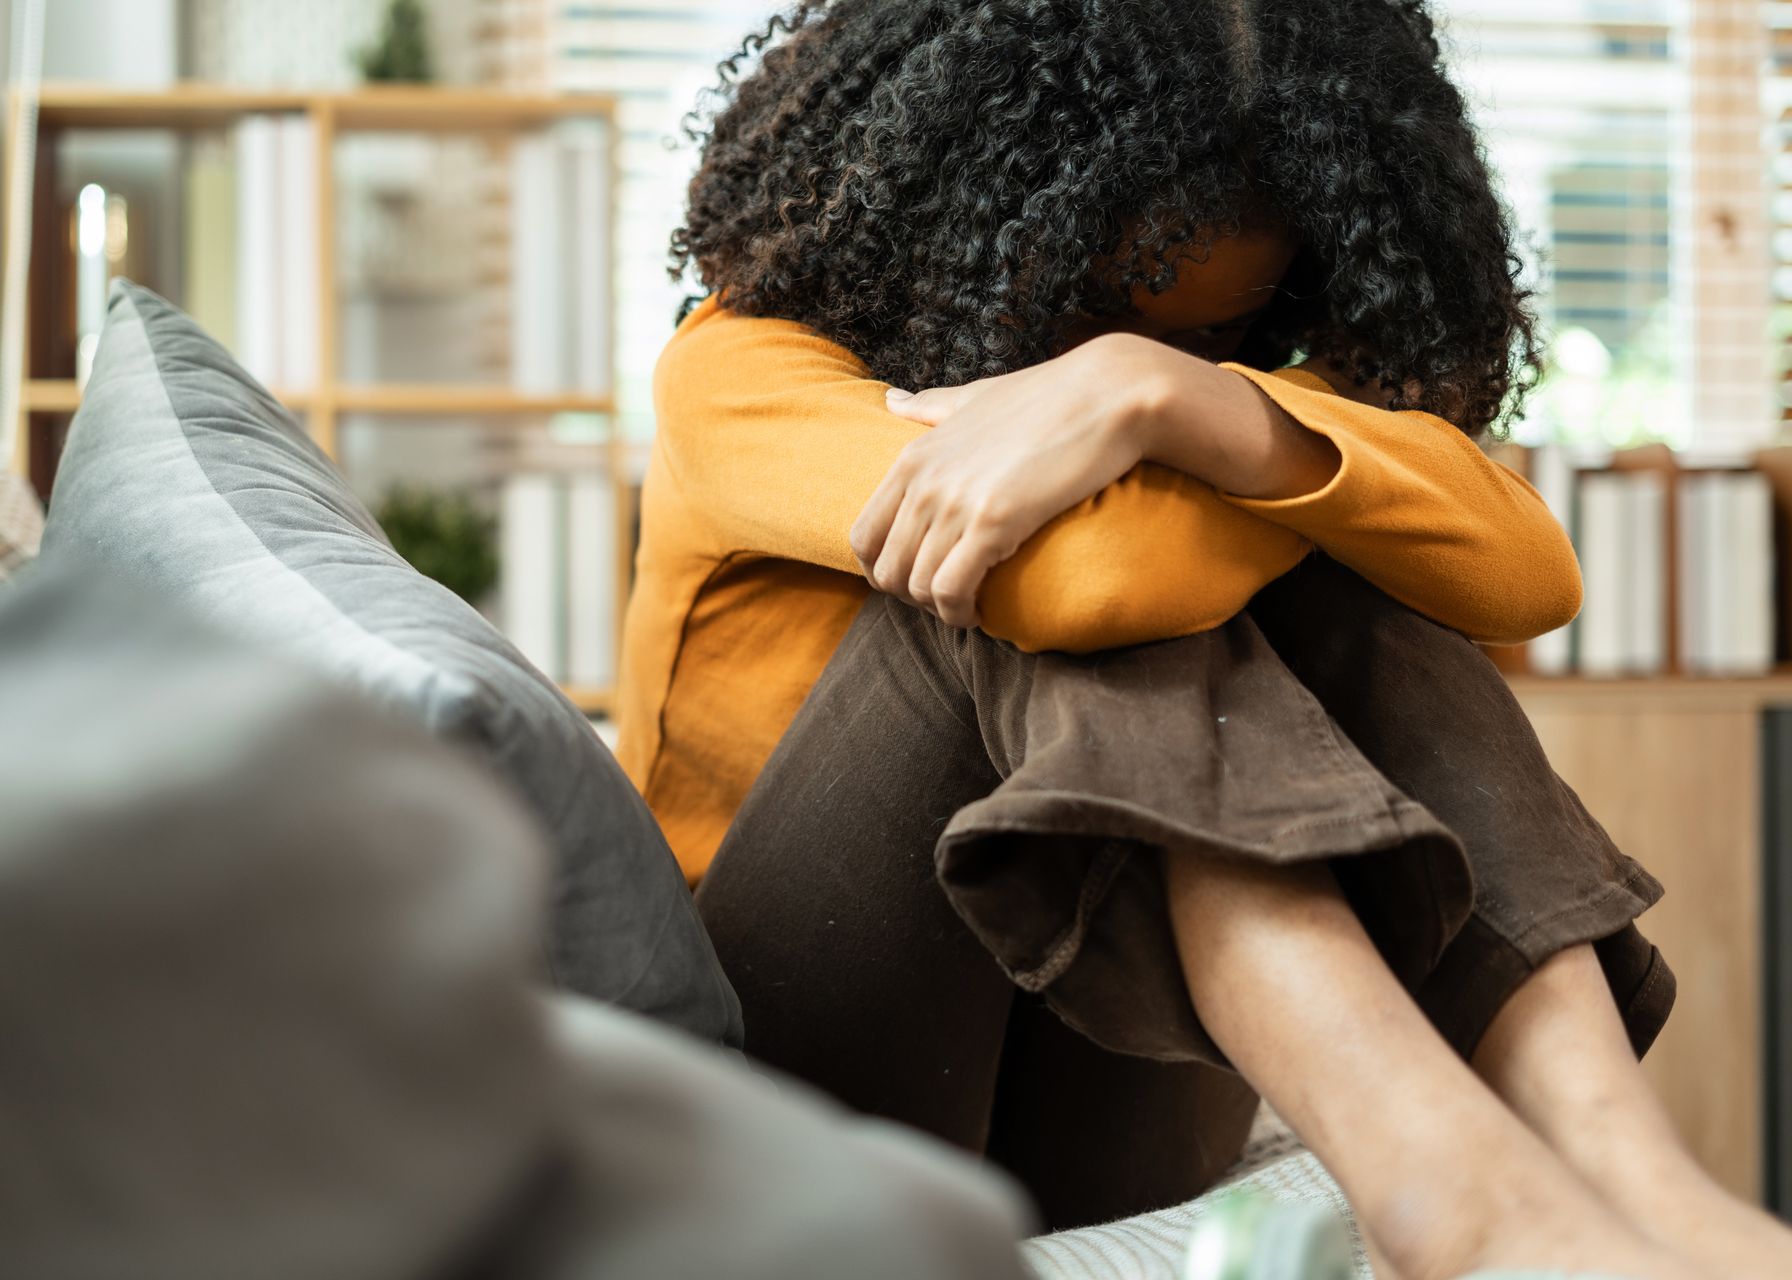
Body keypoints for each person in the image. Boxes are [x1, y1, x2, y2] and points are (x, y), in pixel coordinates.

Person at [616, 2, 1792, 1276]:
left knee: (1340, 539)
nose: (1128, 373)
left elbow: (1529, 569)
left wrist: (1175, 397)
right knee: (998, 578)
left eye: (1222, 331)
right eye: (1090, 310)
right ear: (959, 210)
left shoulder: (1185, 394)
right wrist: (1179, 402)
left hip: (1095, 1085)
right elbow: (1098, 581)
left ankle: (1630, 1181)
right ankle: (1449, 1187)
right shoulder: (742, 367)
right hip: (789, 1081)